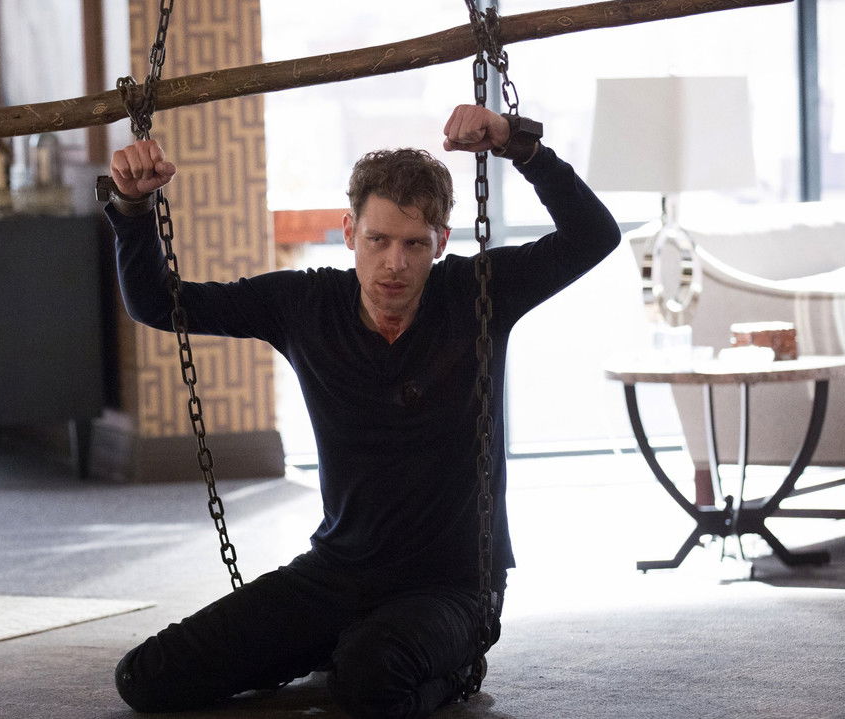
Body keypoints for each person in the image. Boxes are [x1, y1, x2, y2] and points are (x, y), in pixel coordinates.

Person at [101, 103, 620, 718]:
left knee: (370, 683)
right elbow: (158, 304)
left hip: (452, 587)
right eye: (378, 240)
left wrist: (518, 143)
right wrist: (132, 207)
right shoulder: (303, 303)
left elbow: (595, 236)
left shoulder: (479, 293)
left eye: (414, 244)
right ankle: (341, 644)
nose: (394, 263)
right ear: (350, 233)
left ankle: (447, 667)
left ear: (440, 242)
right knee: (146, 679)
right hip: (336, 573)